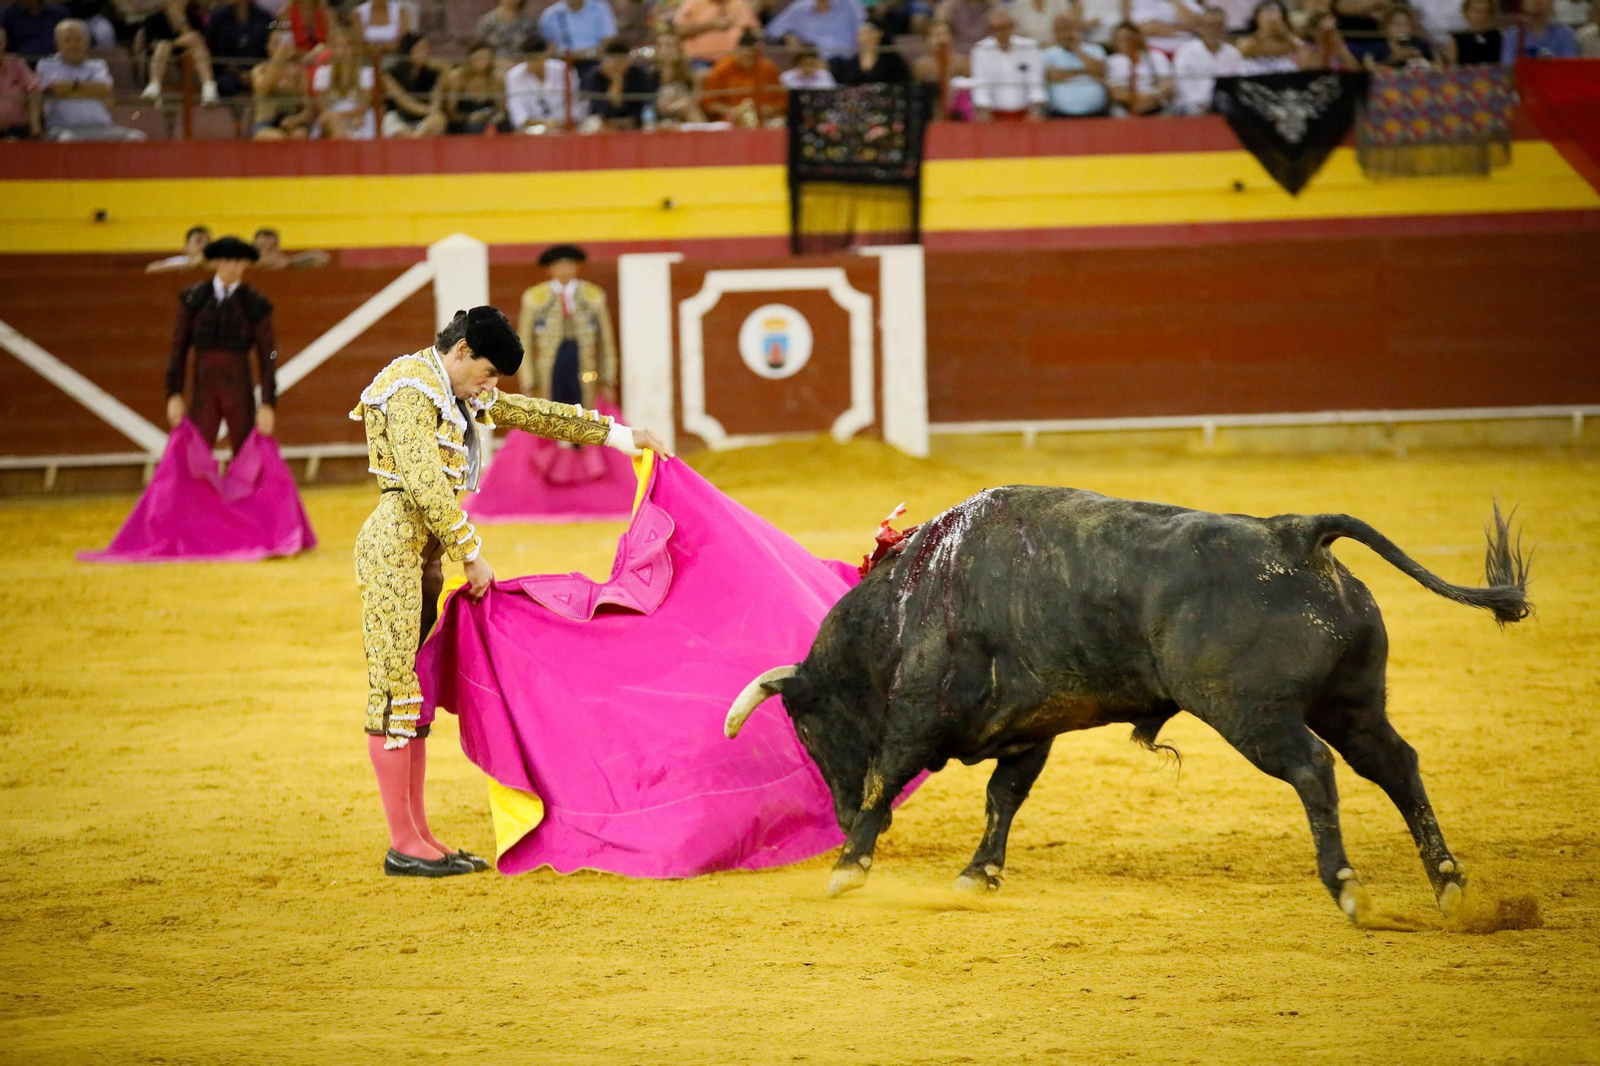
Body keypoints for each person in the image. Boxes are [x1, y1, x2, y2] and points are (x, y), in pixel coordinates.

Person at [349, 306, 669, 877]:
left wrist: (621, 436)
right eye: (489, 374)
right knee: (396, 694)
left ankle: (419, 836)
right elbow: (424, 481)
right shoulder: (409, 389)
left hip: (420, 555)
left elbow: (529, 413)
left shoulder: (452, 389)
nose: (491, 388)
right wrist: (471, 554)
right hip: (393, 553)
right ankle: (404, 842)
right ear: (464, 350)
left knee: (413, 696)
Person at [164, 235, 278, 457]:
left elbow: (269, 356)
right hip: (203, 388)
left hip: (239, 388)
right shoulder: (194, 298)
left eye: (238, 261)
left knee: (247, 454)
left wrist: (267, 403)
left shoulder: (255, 303)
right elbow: (178, 348)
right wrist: (174, 393)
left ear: (245, 263)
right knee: (195, 453)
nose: (232, 267)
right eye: (226, 260)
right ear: (216, 262)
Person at [517, 244, 618, 408]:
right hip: (548, 371)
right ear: (550, 269)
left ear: (577, 267)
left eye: (568, 264)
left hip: (584, 366)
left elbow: (605, 341)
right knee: (552, 416)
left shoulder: (593, 295)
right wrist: (528, 382)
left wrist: (607, 379)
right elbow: (525, 343)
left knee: (583, 416)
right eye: (558, 265)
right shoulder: (534, 297)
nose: (564, 270)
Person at [37, 19, 146, 138]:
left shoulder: (98, 65)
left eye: (78, 39)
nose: (73, 45)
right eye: (67, 40)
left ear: (86, 42)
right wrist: (90, 90)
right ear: (58, 43)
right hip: (63, 128)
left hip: (102, 127)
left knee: (136, 137)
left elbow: (105, 89)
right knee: (68, 139)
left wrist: (71, 88)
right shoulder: (47, 65)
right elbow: (57, 89)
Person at [139, 0, 220, 104]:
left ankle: (209, 88)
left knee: (195, 39)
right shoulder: (154, 18)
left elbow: (198, 41)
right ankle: (154, 87)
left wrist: (180, 21)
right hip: (162, 58)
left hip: (188, 56)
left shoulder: (193, 17)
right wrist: (172, 44)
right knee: (163, 45)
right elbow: (152, 45)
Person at [970, 9, 1045, 119]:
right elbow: (980, 83)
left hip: (1027, 113)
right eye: (997, 29)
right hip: (993, 114)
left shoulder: (1030, 47)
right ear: (990, 30)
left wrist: (1036, 109)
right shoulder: (981, 50)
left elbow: (1035, 80)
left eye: (1005, 28)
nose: (1002, 33)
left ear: (1012, 27)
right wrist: (983, 110)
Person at [701, 29, 782, 121]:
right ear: (737, 50)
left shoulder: (768, 68)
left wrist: (772, 108)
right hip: (731, 120)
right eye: (745, 56)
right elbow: (709, 103)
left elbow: (781, 100)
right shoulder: (722, 69)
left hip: (765, 120)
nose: (749, 60)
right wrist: (730, 110)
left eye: (753, 56)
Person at [1172, 5, 1239, 113]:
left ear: (1224, 28)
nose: (1213, 30)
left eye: (1218, 26)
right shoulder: (1186, 52)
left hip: (1223, 106)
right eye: (1209, 26)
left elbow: (1236, 83)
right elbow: (1181, 82)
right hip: (1191, 106)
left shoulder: (1233, 54)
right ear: (1201, 27)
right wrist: (1198, 102)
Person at [505, 31, 580, 128]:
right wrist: (544, 123)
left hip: (563, 126)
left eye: (534, 59)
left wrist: (558, 124)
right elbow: (518, 113)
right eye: (527, 59)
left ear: (544, 55)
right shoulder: (514, 76)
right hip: (531, 129)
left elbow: (575, 105)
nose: (530, 64)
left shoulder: (564, 70)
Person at [249, 25, 313, 138]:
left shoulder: (298, 73)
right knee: (276, 137)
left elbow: (308, 110)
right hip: (265, 123)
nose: (280, 48)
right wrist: (279, 58)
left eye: (282, 43)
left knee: (299, 135)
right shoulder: (259, 70)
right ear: (267, 47)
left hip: (291, 123)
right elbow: (265, 87)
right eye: (275, 44)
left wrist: (296, 120)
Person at [312, 26, 375, 138]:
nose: (342, 51)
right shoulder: (323, 73)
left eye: (347, 46)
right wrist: (336, 117)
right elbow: (322, 105)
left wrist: (343, 116)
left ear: (355, 49)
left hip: (357, 116)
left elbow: (363, 105)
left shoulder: (365, 73)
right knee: (331, 120)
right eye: (337, 46)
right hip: (330, 117)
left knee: (337, 121)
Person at [1041, 12, 1107, 116]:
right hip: (1060, 115)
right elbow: (1054, 76)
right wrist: (1086, 71)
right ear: (1055, 33)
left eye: (1069, 29)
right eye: (1060, 30)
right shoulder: (1048, 53)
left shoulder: (1095, 49)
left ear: (1077, 29)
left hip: (1097, 114)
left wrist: (1077, 51)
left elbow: (1101, 71)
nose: (1065, 34)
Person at [382, 30, 446, 136]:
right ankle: (415, 138)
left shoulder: (433, 74)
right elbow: (403, 102)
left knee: (439, 120)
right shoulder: (390, 74)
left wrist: (432, 112)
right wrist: (428, 111)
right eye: (420, 48)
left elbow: (436, 101)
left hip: (424, 117)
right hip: (398, 116)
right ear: (408, 51)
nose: (425, 52)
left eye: (426, 48)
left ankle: (416, 138)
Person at [204, 0, 272, 96]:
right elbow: (218, 53)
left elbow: (268, 51)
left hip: (260, 71)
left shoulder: (264, 17)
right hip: (230, 73)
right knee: (226, 84)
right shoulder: (218, 18)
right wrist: (239, 74)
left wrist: (254, 73)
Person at [579, 38, 654, 125]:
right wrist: (616, 82)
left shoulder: (639, 75)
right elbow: (597, 109)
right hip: (604, 122)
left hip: (633, 121)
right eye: (613, 61)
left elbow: (645, 104)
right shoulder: (595, 76)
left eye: (621, 62)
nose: (617, 66)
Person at [1104, 20, 1172, 115]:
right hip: (1126, 107)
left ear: (1138, 38)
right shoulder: (1112, 61)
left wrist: (1152, 97)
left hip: (1154, 102)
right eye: (1121, 39)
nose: (1126, 42)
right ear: (1114, 41)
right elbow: (1116, 93)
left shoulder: (1156, 57)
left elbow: (1167, 85)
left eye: (1129, 38)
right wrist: (1136, 100)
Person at [765, 0, 864, 60]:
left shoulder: (849, 5)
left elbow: (865, 24)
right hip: (815, 64)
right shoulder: (799, 9)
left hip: (849, 61)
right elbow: (772, 28)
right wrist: (787, 37)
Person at [444, 37, 505, 132]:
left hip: (488, 121)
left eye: (487, 57)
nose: (484, 61)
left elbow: (501, 110)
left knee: (503, 127)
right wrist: (468, 117)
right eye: (480, 57)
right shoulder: (457, 78)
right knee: (475, 127)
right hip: (464, 122)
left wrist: (495, 118)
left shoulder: (496, 78)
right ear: (470, 57)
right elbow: (450, 112)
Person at [672, 0, 759, 66]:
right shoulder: (693, 3)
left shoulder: (739, 4)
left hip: (736, 62)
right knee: (701, 75)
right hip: (700, 60)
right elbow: (680, 30)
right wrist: (712, 25)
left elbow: (754, 31)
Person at [830, 18, 911, 83]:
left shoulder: (892, 59)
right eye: (860, 32)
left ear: (880, 33)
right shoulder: (853, 61)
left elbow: (903, 82)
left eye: (867, 30)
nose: (862, 34)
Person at [648, 30, 704, 120]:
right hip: (659, 117)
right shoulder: (650, 74)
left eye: (671, 46)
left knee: (688, 107)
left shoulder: (689, 74)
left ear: (679, 49)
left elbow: (696, 102)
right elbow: (649, 104)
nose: (666, 50)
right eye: (662, 45)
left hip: (685, 116)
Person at [1237, 0, 1307, 72]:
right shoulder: (1247, 40)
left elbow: (1304, 51)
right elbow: (1243, 51)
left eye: (1274, 13)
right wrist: (1264, 32)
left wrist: (1284, 31)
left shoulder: (1289, 41)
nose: (1271, 17)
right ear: (1257, 18)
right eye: (1265, 14)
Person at [538, 0, 617, 60]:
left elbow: (609, 40)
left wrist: (585, 54)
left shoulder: (600, 8)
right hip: (563, 62)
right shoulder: (550, 14)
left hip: (593, 61)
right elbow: (546, 45)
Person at [1500, 0, 1579, 60]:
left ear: (1552, 2)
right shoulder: (1512, 36)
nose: (1536, 1)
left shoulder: (1566, 34)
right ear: (1522, 3)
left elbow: (1569, 68)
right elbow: (1508, 70)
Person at [0, 26, 41, 139]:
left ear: (4, 43)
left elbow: (34, 90)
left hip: (20, 130)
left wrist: (35, 123)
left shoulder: (16, 63)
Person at [1366, 5, 1435, 66]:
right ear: (1386, 27)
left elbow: (1437, 65)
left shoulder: (1421, 45)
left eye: (1405, 24)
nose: (1401, 28)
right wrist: (1395, 59)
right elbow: (1371, 67)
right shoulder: (1378, 47)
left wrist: (1421, 59)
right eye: (1396, 24)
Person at [0, 0, 68, 60]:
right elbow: (4, 48)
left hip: (55, 63)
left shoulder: (59, 13)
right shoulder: (8, 17)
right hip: (22, 65)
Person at [1129, 0, 1201, 54]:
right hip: (1155, 50)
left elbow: (1193, 23)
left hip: (1187, 47)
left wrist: (1175, 1)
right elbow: (1148, 28)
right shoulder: (1144, 2)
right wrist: (1183, 29)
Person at [252, 227, 331, 269]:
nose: (266, 242)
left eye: (268, 239)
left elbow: (322, 257)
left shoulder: (281, 259)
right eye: (263, 242)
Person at [146, 224, 211, 273]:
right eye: (198, 241)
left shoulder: (216, 262)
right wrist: (190, 264)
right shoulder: (180, 261)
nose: (203, 246)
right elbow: (151, 269)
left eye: (208, 242)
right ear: (186, 246)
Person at [1007, 0, 1073, 48]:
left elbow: (1068, 28)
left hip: (1056, 48)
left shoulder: (1060, 2)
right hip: (1027, 49)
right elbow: (1014, 31)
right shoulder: (1019, 4)